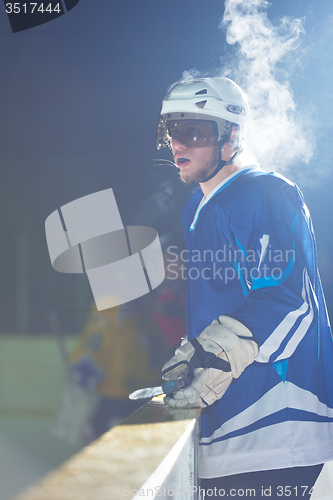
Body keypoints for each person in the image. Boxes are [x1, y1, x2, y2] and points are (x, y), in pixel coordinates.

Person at [156, 77, 333, 499]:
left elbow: (289, 301)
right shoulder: (196, 206)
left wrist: (215, 354)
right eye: (170, 131)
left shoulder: (267, 192)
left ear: (231, 135)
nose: (178, 143)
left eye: (193, 131)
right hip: (226, 426)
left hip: (277, 427)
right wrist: (197, 355)